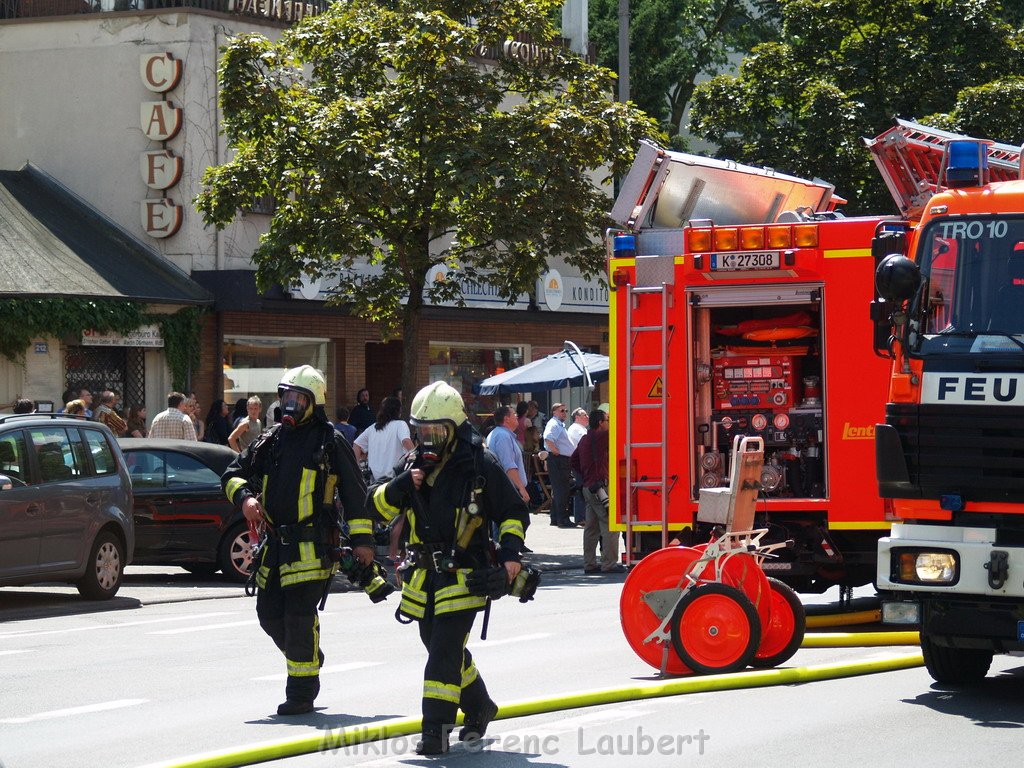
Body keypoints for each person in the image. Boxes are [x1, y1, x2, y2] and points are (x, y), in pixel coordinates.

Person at [366, 381, 530, 755]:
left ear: (454, 429)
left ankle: (435, 732)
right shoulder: (412, 467)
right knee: (440, 646)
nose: (428, 440)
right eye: (421, 432)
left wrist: (510, 556)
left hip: (465, 577)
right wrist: (402, 484)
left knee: (442, 651)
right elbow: (374, 507)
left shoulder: (478, 463)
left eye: (435, 432)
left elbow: (512, 513)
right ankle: (478, 705)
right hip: (423, 578)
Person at [222, 365, 371, 716]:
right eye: (286, 397)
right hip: (274, 547)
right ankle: (309, 655)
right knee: (268, 615)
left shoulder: (330, 442)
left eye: (298, 399)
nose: (289, 405)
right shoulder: (270, 439)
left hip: (314, 547)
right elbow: (232, 474)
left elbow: (355, 494)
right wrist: (245, 498)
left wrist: (363, 541)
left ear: (313, 403)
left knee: (299, 618)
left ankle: (301, 694)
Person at [354, 396, 415, 564]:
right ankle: (393, 555)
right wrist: (418, 454)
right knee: (400, 517)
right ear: (398, 410)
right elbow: (406, 441)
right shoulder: (400, 425)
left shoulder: (373, 428)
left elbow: (357, 446)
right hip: (394, 478)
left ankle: (371, 551)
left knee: (375, 516)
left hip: (375, 480)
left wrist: (357, 468)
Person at [575, 409, 622, 573]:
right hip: (601, 488)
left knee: (591, 528)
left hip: (588, 487)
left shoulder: (584, 440)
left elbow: (573, 461)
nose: (609, 423)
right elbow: (619, 432)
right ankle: (609, 564)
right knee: (610, 525)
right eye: (607, 420)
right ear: (601, 423)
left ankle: (589, 564)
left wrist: (585, 476)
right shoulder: (603, 436)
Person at [485, 405, 530, 505]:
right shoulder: (503, 436)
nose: (517, 416)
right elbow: (509, 465)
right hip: (508, 491)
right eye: (514, 414)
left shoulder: (498, 433)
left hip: (504, 489)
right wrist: (521, 488)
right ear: (506, 419)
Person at [542, 403, 575, 528]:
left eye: (566, 410)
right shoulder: (554, 424)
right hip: (558, 460)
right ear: (554, 412)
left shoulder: (559, 424)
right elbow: (548, 438)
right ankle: (563, 519)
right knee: (562, 490)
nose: (564, 413)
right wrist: (554, 450)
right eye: (561, 410)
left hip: (560, 459)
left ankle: (555, 518)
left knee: (559, 490)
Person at [566, 408, 589, 525]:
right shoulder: (576, 429)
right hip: (579, 463)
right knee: (581, 489)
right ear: (577, 417)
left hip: (581, 463)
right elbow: (587, 444)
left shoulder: (580, 429)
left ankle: (582, 517)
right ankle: (580, 517)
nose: (587, 417)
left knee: (581, 488)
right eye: (584, 415)